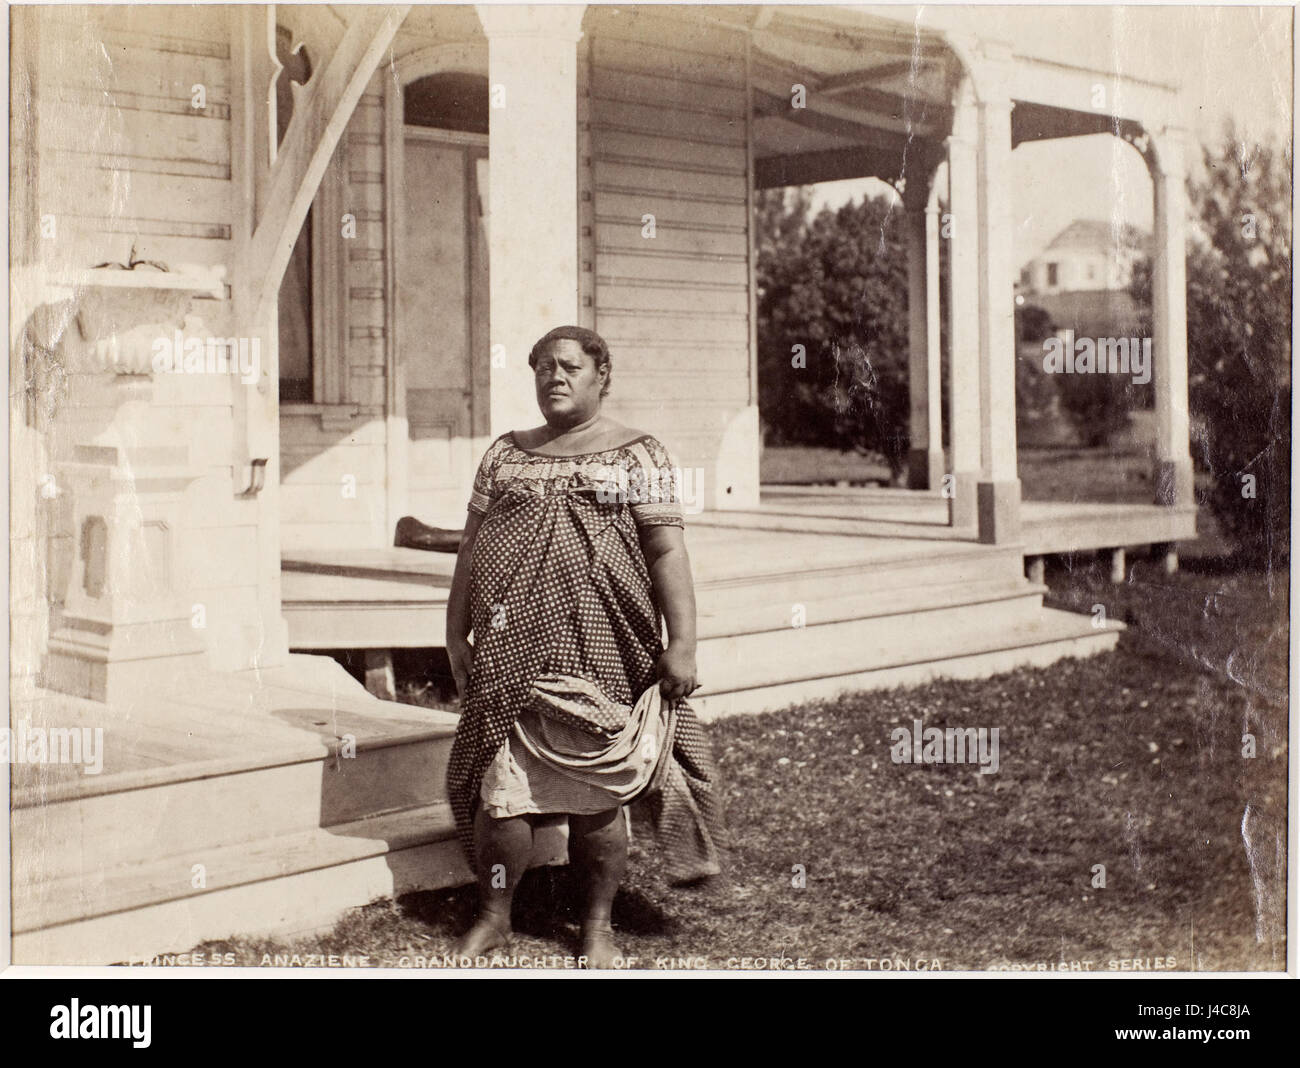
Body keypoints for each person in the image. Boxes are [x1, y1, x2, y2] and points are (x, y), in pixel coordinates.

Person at [444, 325, 725, 968]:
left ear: (602, 375)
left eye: (569, 366)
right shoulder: (506, 454)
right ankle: (494, 914)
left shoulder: (639, 455)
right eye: (542, 367)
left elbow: (666, 551)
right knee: (503, 792)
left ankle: (596, 926)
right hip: (511, 649)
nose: (554, 377)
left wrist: (682, 643)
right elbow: (470, 547)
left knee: (598, 800)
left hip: (603, 651)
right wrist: (454, 630)